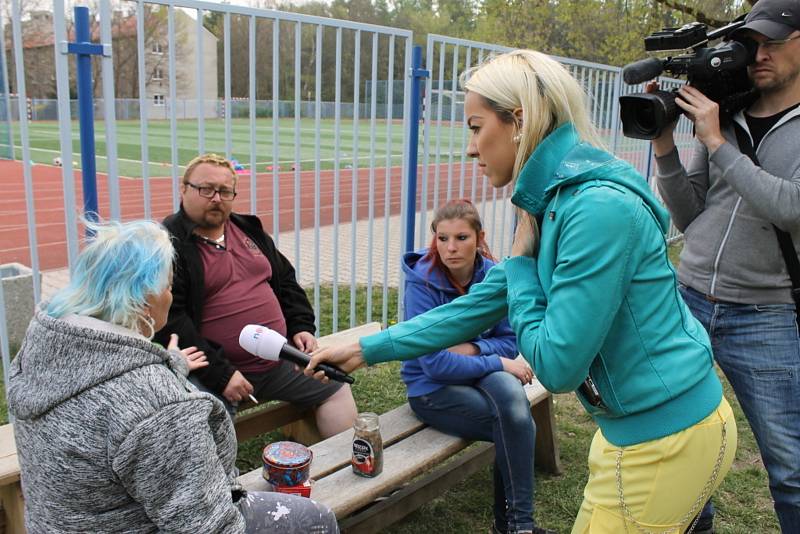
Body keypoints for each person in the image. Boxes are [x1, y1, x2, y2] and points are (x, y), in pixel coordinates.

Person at [306, 49, 739, 533]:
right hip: (635, 433)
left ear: (518, 121)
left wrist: (521, 266)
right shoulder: (551, 202)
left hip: (666, 440)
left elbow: (555, 366)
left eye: (474, 126)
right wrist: (366, 348)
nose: (470, 147)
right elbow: (477, 306)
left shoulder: (593, 210)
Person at [7, 220, 339, 533]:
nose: (171, 295)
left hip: (59, 520)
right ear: (144, 299)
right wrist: (161, 383)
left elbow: (102, 396)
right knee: (316, 518)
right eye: (168, 285)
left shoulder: (43, 346)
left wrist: (169, 365)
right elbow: (207, 525)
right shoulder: (158, 408)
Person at [648, 1, 800, 531]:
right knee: (683, 437)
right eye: (751, 41)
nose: (758, 53)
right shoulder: (728, 112)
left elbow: (789, 206)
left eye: (774, 42)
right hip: (689, 297)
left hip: (766, 314)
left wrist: (717, 141)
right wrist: (665, 143)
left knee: (789, 466)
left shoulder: (723, 127)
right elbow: (691, 213)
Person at [154, 153, 357, 437]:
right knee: (202, 429)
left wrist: (300, 325)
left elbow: (285, 279)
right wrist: (222, 375)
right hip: (214, 371)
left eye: (225, 191)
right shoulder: (167, 245)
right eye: (206, 189)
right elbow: (173, 321)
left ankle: (349, 472)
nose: (216, 198)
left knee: (334, 387)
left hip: (279, 359)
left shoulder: (248, 229)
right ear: (183, 188)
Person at [402, 199, 552, 534]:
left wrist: (472, 348)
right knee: (515, 425)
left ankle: (516, 526)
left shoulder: (492, 275)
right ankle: (516, 527)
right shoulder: (421, 283)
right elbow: (435, 364)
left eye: (461, 238)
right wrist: (497, 361)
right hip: (433, 390)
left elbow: (510, 339)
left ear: (479, 237)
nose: (451, 248)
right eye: (443, 238)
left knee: (514, 413)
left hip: (481, 375)